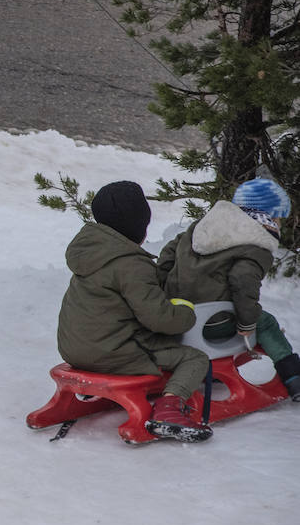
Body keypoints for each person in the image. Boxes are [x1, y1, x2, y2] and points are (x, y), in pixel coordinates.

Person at [56, 180, 211, 441]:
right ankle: (169, 409)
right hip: (113, 352)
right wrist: (185, 312)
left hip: (73, 348)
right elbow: (159, 318)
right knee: (195, 359)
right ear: (139, 224)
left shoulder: (89, 255)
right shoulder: (131, 265)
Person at [158, 177, 300, 401]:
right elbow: (243, 280)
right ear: (268, 217)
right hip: (212, 324)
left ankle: (210, 370)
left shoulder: (199, 229)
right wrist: (246, 322)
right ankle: (293, 376)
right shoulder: (256, 245)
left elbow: (167, 255)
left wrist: (164, 292)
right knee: (265, 322)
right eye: (280, 218)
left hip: (176, 318)